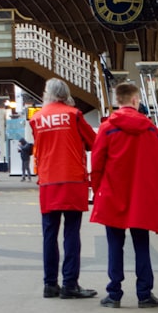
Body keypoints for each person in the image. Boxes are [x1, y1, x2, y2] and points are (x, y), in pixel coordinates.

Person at [90, 82, 158, 309]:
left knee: (114, 245)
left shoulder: (107, 129)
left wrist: (98, 189)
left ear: (117, 101)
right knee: (141, 244)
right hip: (141, 196)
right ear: (136, 101)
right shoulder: (152, 131)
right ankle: (144, 294)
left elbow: (97, 163)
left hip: (113, 194)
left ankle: (114, 294)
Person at [29, 78, 98, 300]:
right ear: (66, 93)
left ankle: (50, 284)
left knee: (49, 234)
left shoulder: (37, 118)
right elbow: (93, 142)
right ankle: (70, 284)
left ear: (47, 94)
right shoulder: (74, 115)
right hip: (72, 180)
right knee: (71, 232)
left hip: (48, 181)